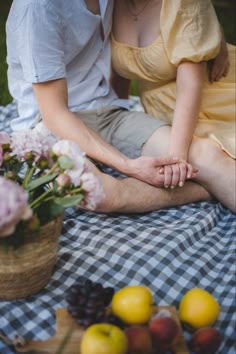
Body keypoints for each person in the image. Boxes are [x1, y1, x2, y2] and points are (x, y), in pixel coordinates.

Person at [5, 0, 235, 214]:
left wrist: (212, 35)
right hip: (47, 125)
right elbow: (55, 114)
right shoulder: (37, 9)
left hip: (108, 113)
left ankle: (207, 182)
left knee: (206, 155)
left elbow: (189, 14)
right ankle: (203, 189)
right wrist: (129, 166)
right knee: (96, 191)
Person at [111, 0, 236, 162]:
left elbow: (189, 86)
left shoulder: (183, 4)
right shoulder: (109, 4)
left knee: (214, 164)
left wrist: (176, 158)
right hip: (165, 113)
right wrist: (117, 116)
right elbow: (122, 69)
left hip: (214, 104)